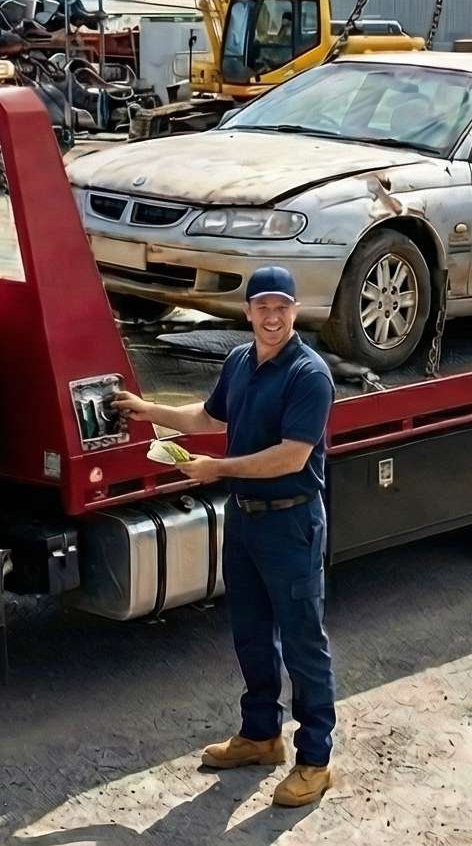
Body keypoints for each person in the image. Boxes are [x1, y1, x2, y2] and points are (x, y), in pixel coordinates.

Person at [112, 265, 338, 809]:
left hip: (291, 522)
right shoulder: (239, 360)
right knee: (251, 632)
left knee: (303, 642)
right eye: (263, 306)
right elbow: (208, 416)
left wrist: (217, 469)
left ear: (294, 310)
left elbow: (292, 456)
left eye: (281, 307)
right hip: (244, 517)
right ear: (247, 311)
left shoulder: (309, 374)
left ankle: (315, 760)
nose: (272, 316)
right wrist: (149, 410)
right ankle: (261, 736)